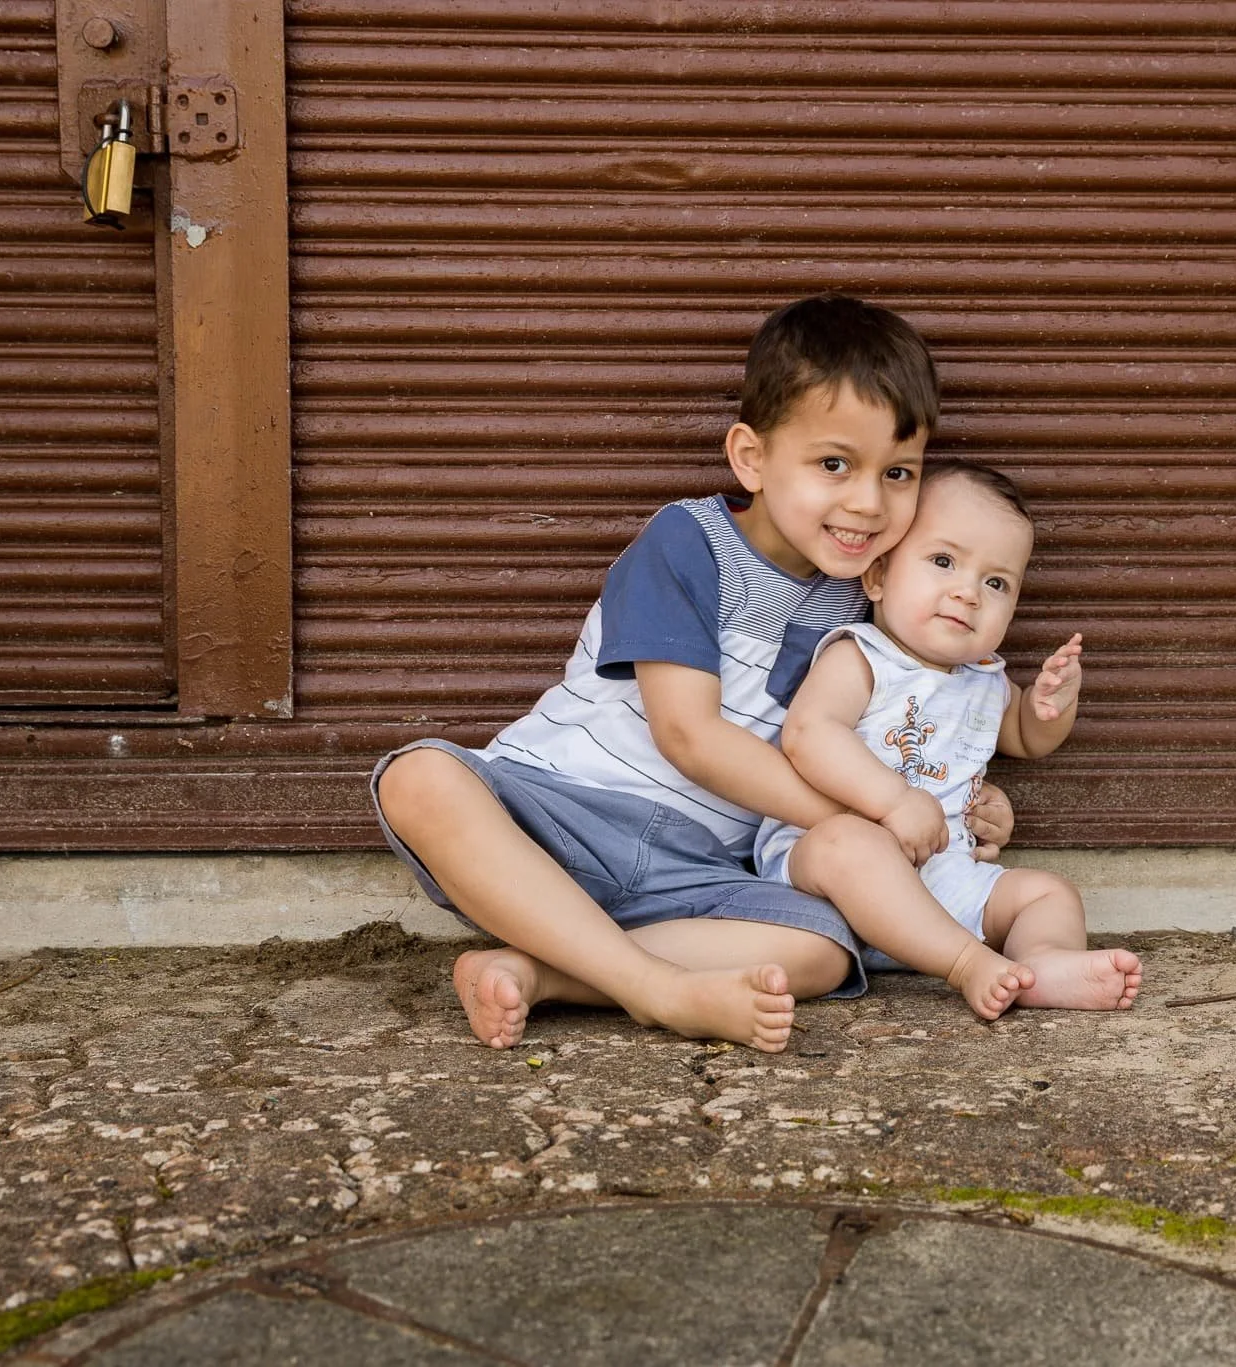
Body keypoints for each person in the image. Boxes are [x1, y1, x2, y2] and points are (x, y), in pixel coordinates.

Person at [371, 295, 1015, 1053]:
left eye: (899, 471)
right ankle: (657, 990)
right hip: (557, 817)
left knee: (823, 947)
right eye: (834, 463)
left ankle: (543, 972)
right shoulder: (689, 542)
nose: (869, 501)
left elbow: (896, 725)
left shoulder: (872, 595)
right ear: (752, 458)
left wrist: (952, 796)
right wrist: (880, 811)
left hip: (698, 870)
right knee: (418, 778)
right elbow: (689, 735)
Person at [756, 460, 1143, 1020]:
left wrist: (1051, 703)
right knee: (850, 842)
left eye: (996, 582)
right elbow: (808, 735)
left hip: (944, 878)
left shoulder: (985, 679)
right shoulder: (861, 656)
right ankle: (967, 964)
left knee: (1049, 892)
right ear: (878, 577)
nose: (968, 593)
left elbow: (1027, 739)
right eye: (943, 562)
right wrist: (892, 801)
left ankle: (1041, 965)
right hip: (827, 878)